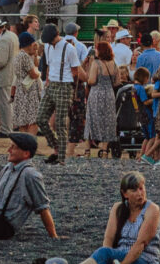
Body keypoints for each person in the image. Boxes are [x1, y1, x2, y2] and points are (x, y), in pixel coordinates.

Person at [54, 170, 160, 264]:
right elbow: (109, 238)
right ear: (125, 194)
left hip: (144, 260)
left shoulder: (152, 210)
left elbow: (141, 244)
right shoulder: (118, 208)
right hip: (120, 256)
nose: (140, 193)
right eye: (134, 190)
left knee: (104, 254)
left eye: (141, 188)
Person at [37, 22, 81, 164]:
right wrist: (48, 81)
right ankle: (56, 146)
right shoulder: (48, 46)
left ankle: (61, 157)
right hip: (52, 84)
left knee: (61, 123)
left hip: (64, 85)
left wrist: (72, 90)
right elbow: (49, 66)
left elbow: (75, 72)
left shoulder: (69, 49)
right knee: (41, 119)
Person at [82, 39, 119, 158]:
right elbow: (117, 82)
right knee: (108, 121)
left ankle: (87, 151)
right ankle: (104, 150)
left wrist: (88, 76)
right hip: (109, 94)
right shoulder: (114, 64)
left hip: (96, 94)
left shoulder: (96, 64)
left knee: (91, 119)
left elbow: (92, 81)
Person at [10, 32, 44, 133]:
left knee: (23, 121)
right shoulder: (25, 56)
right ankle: (30, 144)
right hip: (30, 90)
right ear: (28, 44)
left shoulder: (19, 55)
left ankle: (23, 145)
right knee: (33, 120)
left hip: (21, 88)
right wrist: (39, 72)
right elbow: (34, 74)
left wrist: (35, 55)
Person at [0, 18, 19, 136]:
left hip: (4, 75)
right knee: (10, 102)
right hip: (13, 73)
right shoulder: (13, 36)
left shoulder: (4, 39)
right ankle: (10, 127)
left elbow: (1, 61)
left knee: (5, 104)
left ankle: (6, 130)